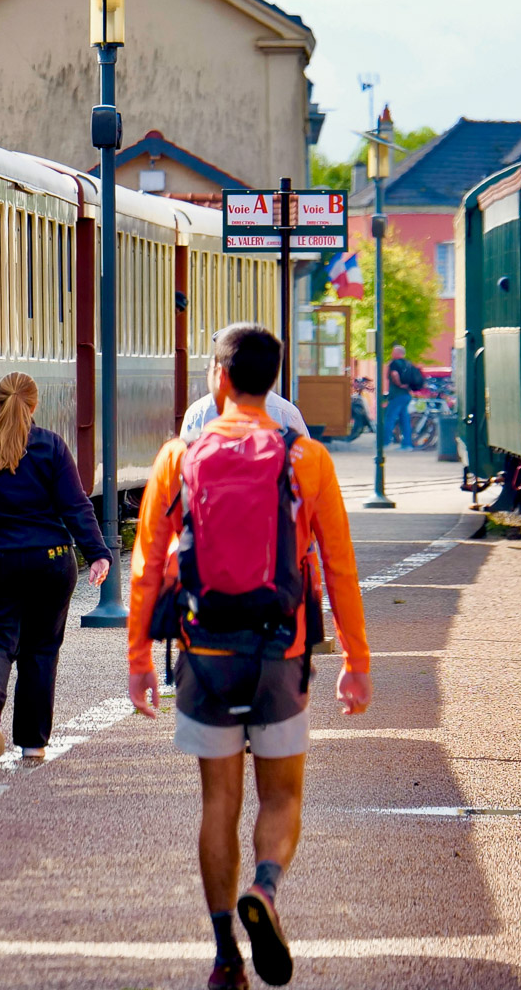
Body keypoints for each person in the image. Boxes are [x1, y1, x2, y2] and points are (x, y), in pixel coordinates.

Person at [126, 323, 371, 989]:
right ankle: (263, 889)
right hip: (280, 651)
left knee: (219, 802)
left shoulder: (180, 455)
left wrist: (140, 658)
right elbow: (339, 567)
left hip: (204, 651)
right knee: (282, 795)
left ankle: (224, 956)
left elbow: (149, 564)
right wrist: (357, 659)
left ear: (221, 377)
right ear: (274, 377)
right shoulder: (305, 457)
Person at [0, 372, 112, 760]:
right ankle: (33, 744)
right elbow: (75, 505)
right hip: (49, 562)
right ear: (34, 406)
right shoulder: (52, 447)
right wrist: (98, 552)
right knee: (40, 650)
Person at [383, 344, 418, 449]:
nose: (391, 353)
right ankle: (407, 444)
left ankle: (385, 442)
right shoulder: (408, 363)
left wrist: (399, 384)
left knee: (390, 418)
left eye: (393, 352)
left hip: (396, 395)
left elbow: (394, 375)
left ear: (398, 353)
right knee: (405, 419)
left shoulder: (394, 364)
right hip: (406, 395)